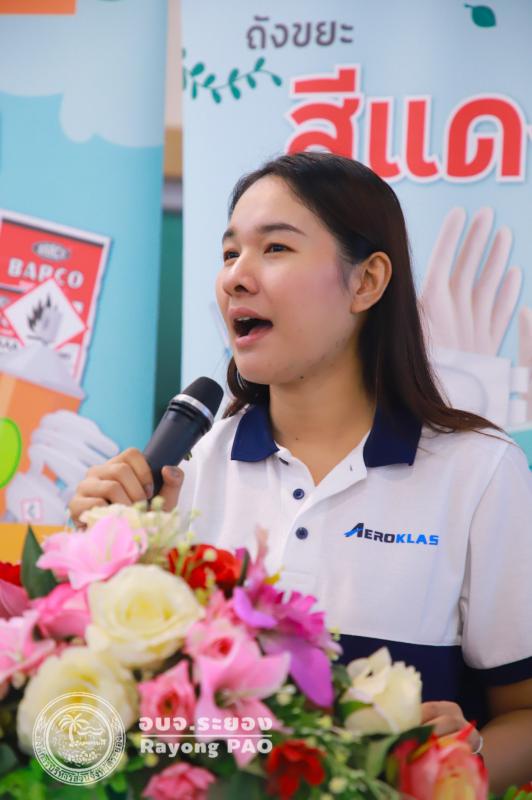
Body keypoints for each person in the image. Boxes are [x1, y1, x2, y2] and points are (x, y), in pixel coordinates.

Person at [70, 152, 532, 791]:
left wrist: (458, 763)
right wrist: (103, 565)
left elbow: (524, 715)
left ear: (367, 282)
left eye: (275, 248)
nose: (236, 277)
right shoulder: (188, 472)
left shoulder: (478, 472)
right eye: (229, 253)